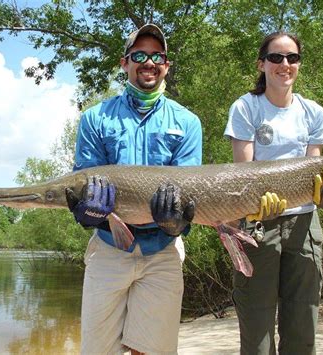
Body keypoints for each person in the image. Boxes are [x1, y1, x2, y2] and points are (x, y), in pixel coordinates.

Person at [66, 24, 202, 354]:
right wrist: (91, 214)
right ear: (124, 63)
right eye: (139, 55)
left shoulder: (187, 122)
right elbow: (84, 180)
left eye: (158, 56)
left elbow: (189, 190)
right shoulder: (95, 118)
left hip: (163, 250)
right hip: (110, 248)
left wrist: (177, 220)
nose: (149, 62)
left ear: (167, 65)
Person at [224, 31, 323, 354]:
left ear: (298, 65)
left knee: (301, 333)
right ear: (262, 64)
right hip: (257, 226)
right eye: (276, 57)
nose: (285, 64)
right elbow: (244, 174)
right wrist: (255, 205)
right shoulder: (245, 108)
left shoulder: (314, 113)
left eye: (292, 58)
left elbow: (315, 173)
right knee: (257, 338)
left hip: (305, 225)